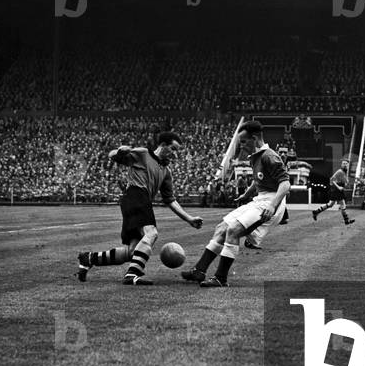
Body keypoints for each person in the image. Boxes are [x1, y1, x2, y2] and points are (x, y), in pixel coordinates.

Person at [76, 132, 203, 285]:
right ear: (163, 145)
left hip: (139, 200)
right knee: (151, 233)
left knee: (132, 251)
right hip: (136, 195)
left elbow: (170, 200)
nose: (176, 154)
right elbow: (112, 155)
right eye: (173, 149)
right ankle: (133, 274)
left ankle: (89, 258)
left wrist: (189, 219)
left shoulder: (166, 172)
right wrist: (120, 151)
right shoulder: (143, 154)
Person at [182, 120, 289, 287]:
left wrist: (272, 205)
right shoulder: (255, 157)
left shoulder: (269, 156)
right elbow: (258, 181)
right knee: (222, 228)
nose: (241, 146)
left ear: (254, 138)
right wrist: (247, 194)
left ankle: (220, 278)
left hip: (271, 202)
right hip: (260, 199)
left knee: (233, 230)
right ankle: (199, 271)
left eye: (244, 141)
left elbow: (285, 184)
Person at [311, 158, 354, 225]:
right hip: (337, 190)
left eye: (346, 164)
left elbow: (343, 181)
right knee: (343, 205)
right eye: (343, 163)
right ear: (341, 165)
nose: (345, 165)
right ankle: (346, 220)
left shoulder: (344, 172)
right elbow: (332, 179)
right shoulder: (340, 171)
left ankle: (316, 212)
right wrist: (338, 187)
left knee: (330, 204)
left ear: (348, 165)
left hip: (336, 190)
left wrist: (345, 183)